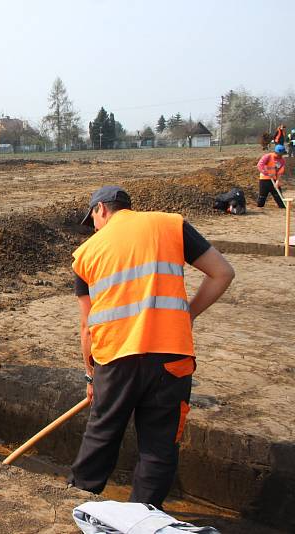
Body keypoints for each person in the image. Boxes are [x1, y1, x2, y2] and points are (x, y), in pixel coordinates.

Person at [68, 186, 235, 508]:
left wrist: (92, 377)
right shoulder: (170, 225)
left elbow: (87, 326)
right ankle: (144, 518)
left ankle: (78, 504)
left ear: (101, 209)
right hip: (172, 356)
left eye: (93, 220)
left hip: (115, 358)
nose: (95, 228)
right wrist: (188, 314)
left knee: (101, 437)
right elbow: (222, 272)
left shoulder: (85, 254)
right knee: (159, 447)